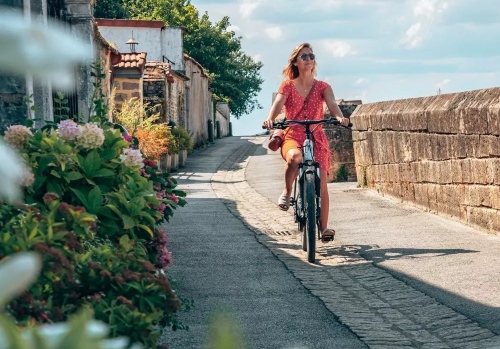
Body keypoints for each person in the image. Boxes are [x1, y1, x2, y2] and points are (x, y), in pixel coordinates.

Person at [262, 42, 350, 239]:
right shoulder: (287, 86)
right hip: (293, 134)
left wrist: (339, 117)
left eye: (311, 56)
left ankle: (324, 227)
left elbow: (332, 104)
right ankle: (286, 192)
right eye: (304, 56)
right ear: (295, 61)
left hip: (317, 137)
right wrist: (270, 118)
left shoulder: (322, 86)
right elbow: (278, 104)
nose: (308, 59)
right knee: (294, 158)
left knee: (322, 184)